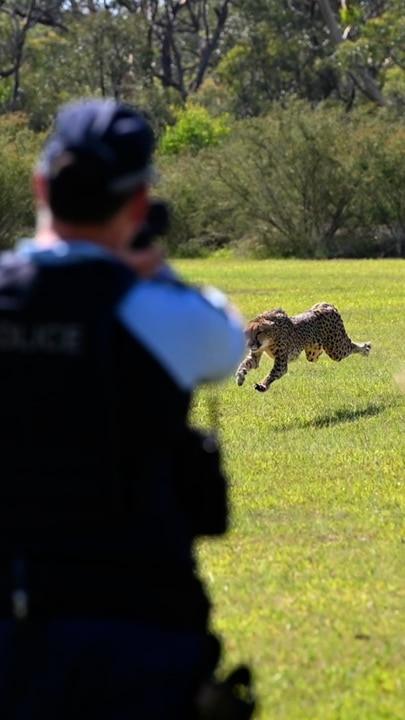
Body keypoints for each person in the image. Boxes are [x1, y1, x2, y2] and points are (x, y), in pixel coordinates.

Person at [0, 98, 255, 719]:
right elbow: (226, 340)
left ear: (41, 186)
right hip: (136, 626)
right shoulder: (156, 311)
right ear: (140, 206)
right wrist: (150, 275)